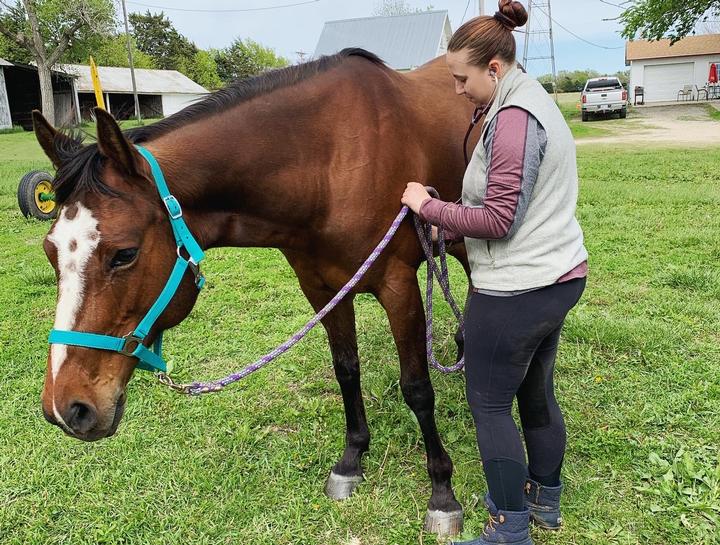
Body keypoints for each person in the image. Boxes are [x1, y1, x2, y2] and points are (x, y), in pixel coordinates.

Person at [401, 2, 588, 544]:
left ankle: (508, 526)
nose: (457, 89)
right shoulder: (532, 101)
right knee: (535, 395)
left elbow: (499, 219)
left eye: (462, 79)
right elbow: (513, 208)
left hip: (518, 288)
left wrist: (427, 208)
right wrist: (450, 227)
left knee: (487, 405)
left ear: (494, 69)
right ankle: (543, 501)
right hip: (557, 276)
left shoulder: (512, 122)